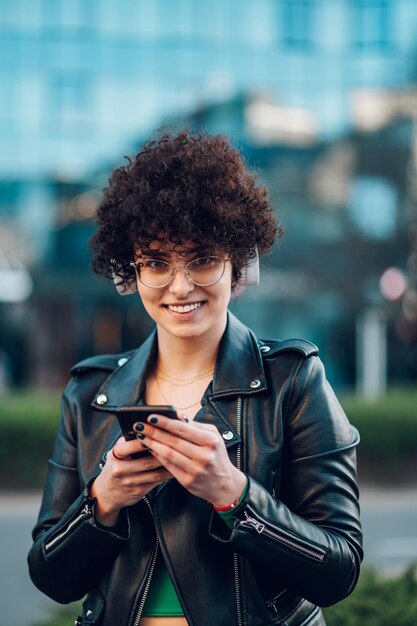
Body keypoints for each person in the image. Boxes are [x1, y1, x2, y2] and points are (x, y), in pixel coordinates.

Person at [28, 130, 362, 626]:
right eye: (157, 263)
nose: (180, 286)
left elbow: (339, 570)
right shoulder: (89, 394)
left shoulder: (295, 380)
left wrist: (235, 494)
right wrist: (102, 502)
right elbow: (52, 577)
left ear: (237, 264)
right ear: (130, 273)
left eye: (202, 259)